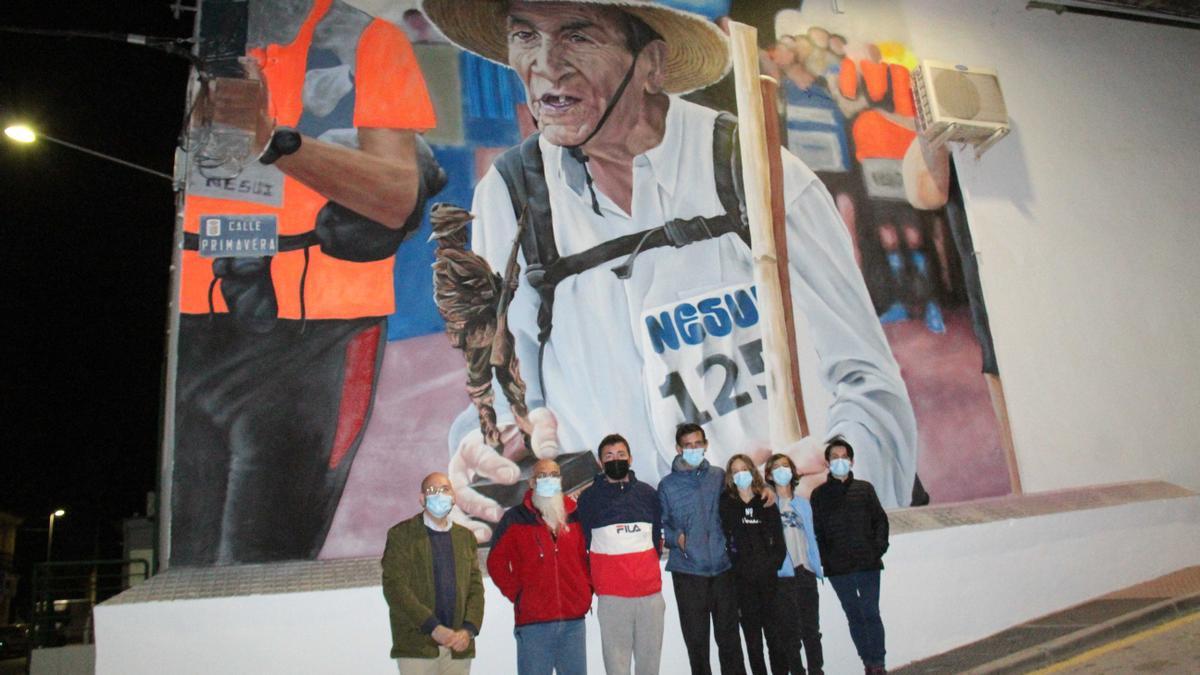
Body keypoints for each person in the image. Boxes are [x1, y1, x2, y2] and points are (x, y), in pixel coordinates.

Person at [418, 0, 920, 539]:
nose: (544, 64)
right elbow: (508, 387)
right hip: (623, 553)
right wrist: (481, 439)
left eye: (578, 36)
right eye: (524, 35)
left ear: (652, 63)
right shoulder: (508, 195)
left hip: (776, 540)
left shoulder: (754, 169)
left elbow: (867, 383)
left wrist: (843, 483)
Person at [173, 0, 444, 564]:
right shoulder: (202, 42)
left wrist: (274, 141)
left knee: (264, 560)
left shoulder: (368, 40)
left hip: (317, 334)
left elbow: (397, 197)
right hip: (197, 326)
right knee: (187, 565)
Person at [488, 458, 592, 674]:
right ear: (532, 482)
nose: (549, 480)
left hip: (573, 623)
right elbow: (495, 562)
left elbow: (588, 556)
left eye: (554, 475)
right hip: (534, 624)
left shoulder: (577, 514)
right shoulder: (514, 518)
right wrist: (519, 595)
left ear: (561, 480)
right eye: (542, 476)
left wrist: (585, 589)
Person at [659, 423, 745, 675]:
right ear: (678, 448)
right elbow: (662, 525)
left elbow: (740, 501)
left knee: (730, 640)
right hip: (688, 573)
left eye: (698, 444)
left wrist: (768, 493)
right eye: (688, 446)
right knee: (697, 644)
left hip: (722, 569)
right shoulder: (667, 485)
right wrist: (678, 538)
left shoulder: (719, 476)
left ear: (706, 445)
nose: (694, 449)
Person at [576, 433, 665, 675]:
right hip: (613, 598)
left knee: (650, 667)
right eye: (609, 456)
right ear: (600, 462)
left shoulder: (648, 494)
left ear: (631, 458)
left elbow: (656, 540)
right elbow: (582, 542)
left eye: (621, 455)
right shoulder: (588, 499)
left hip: (650, 597)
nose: (616, 460)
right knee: (616, 668)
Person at [381, 473, 484, 674]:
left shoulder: (465, 537)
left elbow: (475, 588)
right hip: (417, 647)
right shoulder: (401, 535)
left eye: (445, 489)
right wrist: (433, 627)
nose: (440, 495)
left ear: (454, 496)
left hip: (457, 646)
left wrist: (468, 630)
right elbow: (395, 588)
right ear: (422, 499)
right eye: (432, 490)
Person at [810, 439, 889, 675]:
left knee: (871, 613)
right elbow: (818, 531)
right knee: (854, 615)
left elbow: (880, 521)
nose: (840, 461)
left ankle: (878, 664)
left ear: (852, 461)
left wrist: (877, 549)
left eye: (844, 456)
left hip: (868, 565)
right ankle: (867, 661)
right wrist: (827, 560)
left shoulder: (865, 489)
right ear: (828, 463)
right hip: (839, 569)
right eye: (835, 457)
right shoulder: (819, 494)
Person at [718, 455, 786, 675]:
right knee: (753, 642)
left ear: (753, 471)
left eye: (744, 469)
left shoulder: (766, 500)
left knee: (776, 638)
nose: (741, 474)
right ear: (730, 476)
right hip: (742, 585)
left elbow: (778, 540)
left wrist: (772, 564)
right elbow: (725, 540)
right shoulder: (726, 504)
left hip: (769, 581)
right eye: (735, 471)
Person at [765, 453, 825, 675]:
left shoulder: (804, 504)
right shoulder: (769, 506)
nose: (782, 471)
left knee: (812, 629)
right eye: (776, 468)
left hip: (805, 571)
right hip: (783, 577)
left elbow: (812, 536)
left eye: (785, 466)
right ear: (769, 475)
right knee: (790, 632)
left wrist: (814, 565)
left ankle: (816, 669)